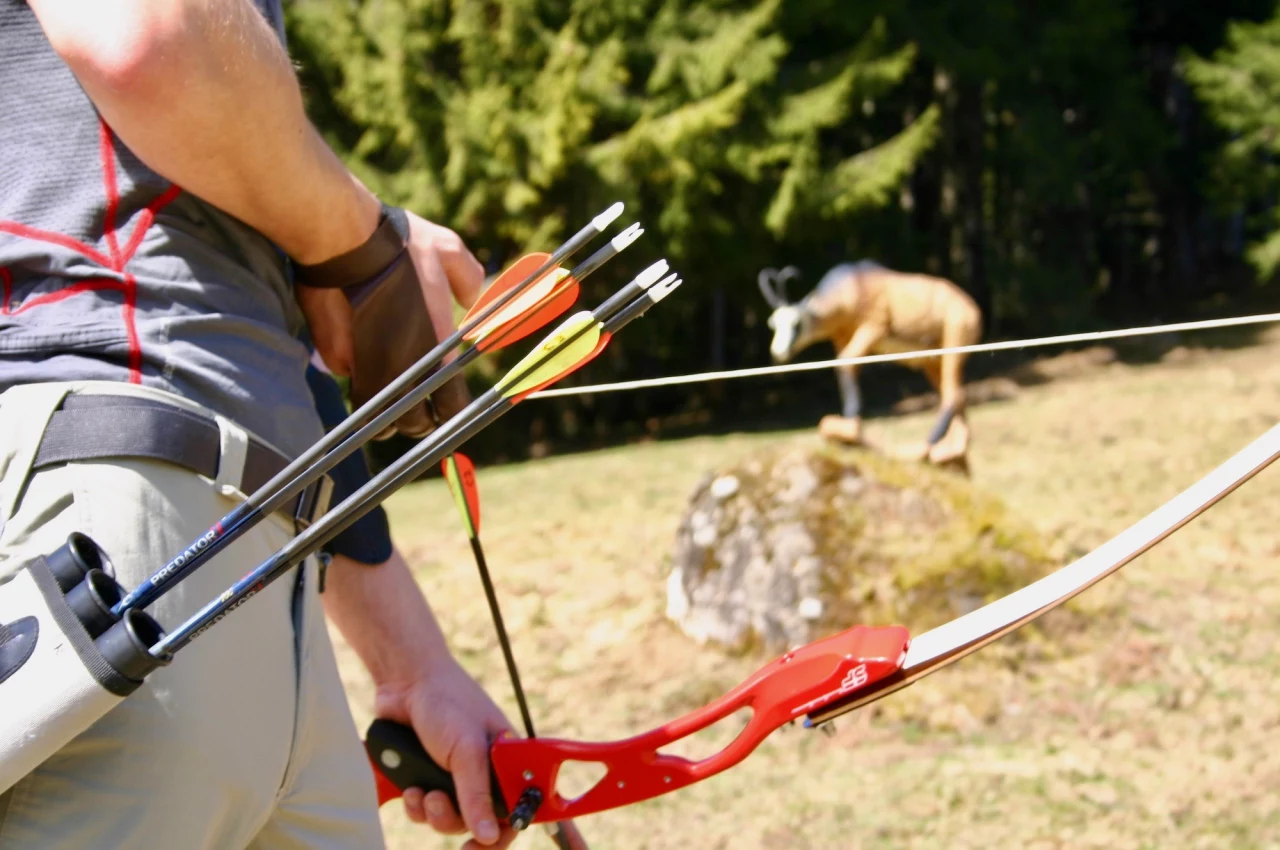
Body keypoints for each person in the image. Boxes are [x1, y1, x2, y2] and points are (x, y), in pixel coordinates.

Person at [0, 1, 583, 848]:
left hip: (254, 570)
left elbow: (275, 378)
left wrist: (414, 668)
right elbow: (145, 40)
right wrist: (360, 238)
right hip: (115, 536)